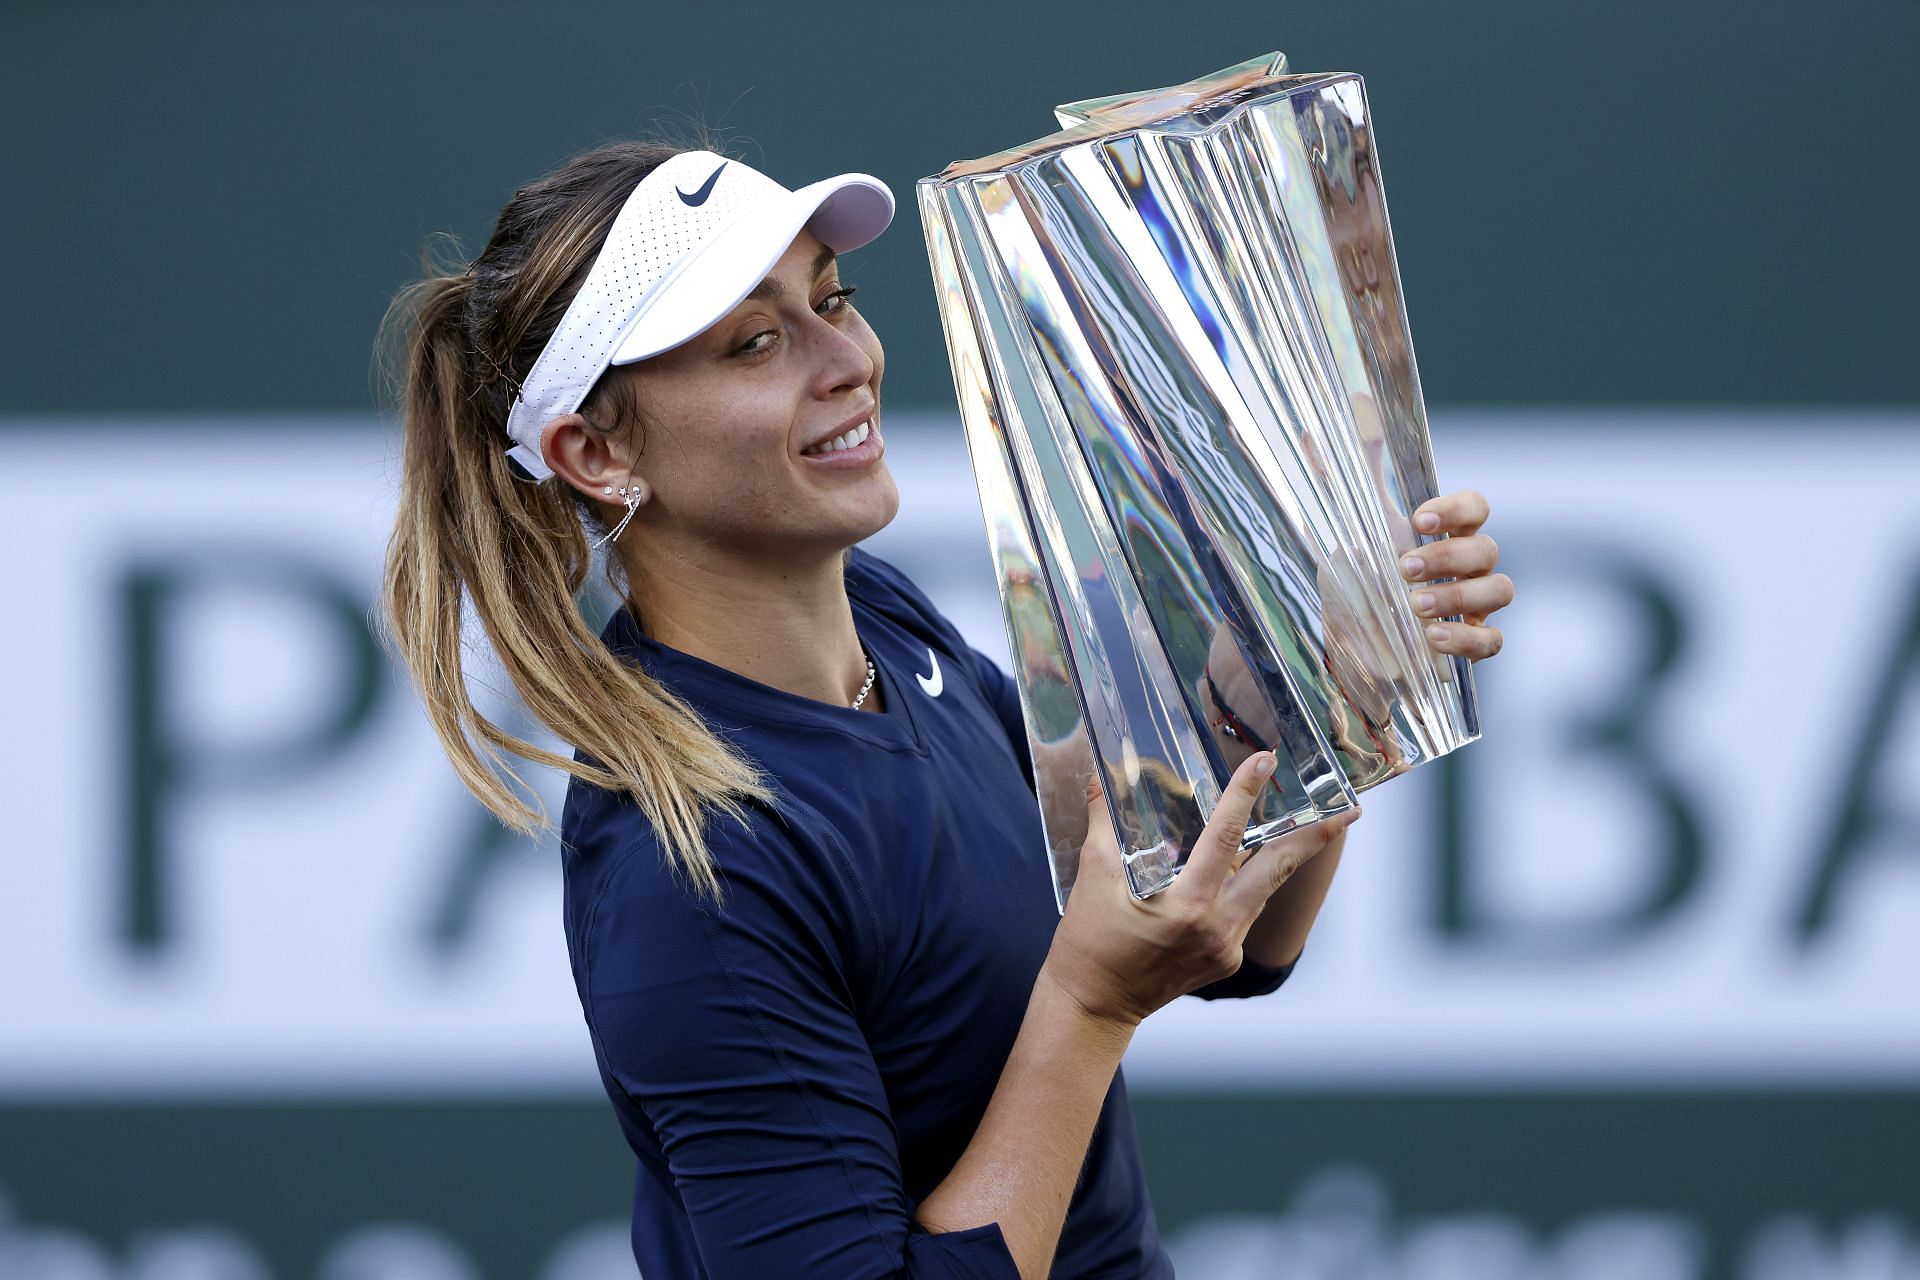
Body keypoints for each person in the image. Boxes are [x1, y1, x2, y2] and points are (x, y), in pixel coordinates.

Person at [379, 139, 1513, 1280]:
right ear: (597, 452)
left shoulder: (885, 619)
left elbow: (1221, 934)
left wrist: (1316, 667)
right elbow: (1105, 967)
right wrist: (1088, 1003)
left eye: (832, 298)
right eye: (756, 341)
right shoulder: (691, 876)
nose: (848, 359)